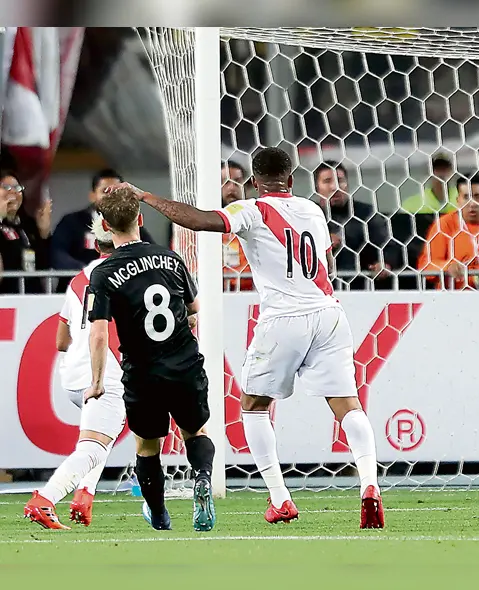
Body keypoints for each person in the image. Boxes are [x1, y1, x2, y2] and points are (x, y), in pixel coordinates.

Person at [108, 147, 385, 528]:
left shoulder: (251, 210)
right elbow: (328, 263)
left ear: (254, 182)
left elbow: (202, 221)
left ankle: (279, 498)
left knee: (253, 406)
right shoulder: (313, 210)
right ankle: (369, 485)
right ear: (291, 180)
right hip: (328, 313)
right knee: (348, 405)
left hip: (283, 318)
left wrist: (146, 197)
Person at [76, 189, 216, 532]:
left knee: (147, 446)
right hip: (184, 363)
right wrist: (187, 320)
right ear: (140, 219)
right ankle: (202, 478)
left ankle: (159, 514)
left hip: (142, 371)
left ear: (106, 227)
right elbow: (195, 310)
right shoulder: (171, 259)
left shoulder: (103, 273)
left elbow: (98, 333)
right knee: (195, 431)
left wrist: (95, 382)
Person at [23, 217, 126, 530]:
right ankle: (46, 498)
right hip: (104, 370)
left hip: (71, 376)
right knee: (95, 444)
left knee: (104, 433)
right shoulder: (129, 274)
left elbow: (61, 341)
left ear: (95, 245)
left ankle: (85, 495)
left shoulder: (79, 279)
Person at [312, 160, 401, 290]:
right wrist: (322, 243)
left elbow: (389, 245)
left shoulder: (365, 213)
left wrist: (385, 263)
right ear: (316, 187)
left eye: (340, 180)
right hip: (319, 290)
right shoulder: (308, 214)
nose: (335, 187)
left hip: (359, 289)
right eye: (327, 181)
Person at [51, 169, 154, 273]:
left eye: (117, 191)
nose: (111, 196)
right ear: (92, 196)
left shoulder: (130, 221)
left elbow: (150, 251)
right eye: (105, 191)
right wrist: (87, 271)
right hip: (78, 283)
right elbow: (56, 254)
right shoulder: (71, 222)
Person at [0, 170, 52, 294]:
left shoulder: (27, 224)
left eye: (17, 188)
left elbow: (44, 265)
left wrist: (44, 233)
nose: (13, 192)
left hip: (31, 296)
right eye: (6, 187)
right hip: (6, 299)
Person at [222, 160, 254, 291]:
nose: (231, 187)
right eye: (224, 182)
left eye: (237, 181)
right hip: (219, 292)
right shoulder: (203, 225)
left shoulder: (258, 219)